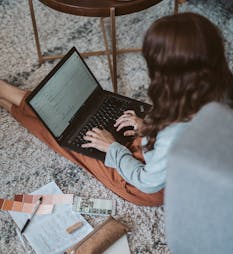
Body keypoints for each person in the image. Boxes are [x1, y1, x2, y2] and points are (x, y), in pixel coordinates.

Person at [1, 12, 233, 206]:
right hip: (171, 162)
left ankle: (8, 95)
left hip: (153, 187)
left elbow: (147, 181)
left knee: (66, 138)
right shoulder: (219, 92)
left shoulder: (177, 132)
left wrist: (112, 148)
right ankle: (7, 98)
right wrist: (148, 127)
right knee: (77, 124)